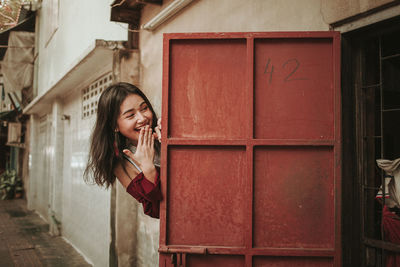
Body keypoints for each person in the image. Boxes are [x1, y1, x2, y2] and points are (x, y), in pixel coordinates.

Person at [84, 82, 162, 218]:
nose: (142, 118)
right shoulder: (121, 164)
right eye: (131, 115)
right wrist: (149, 169)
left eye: (144, 108)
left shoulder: (164, 129)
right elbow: (156, 211)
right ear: (114, 126)